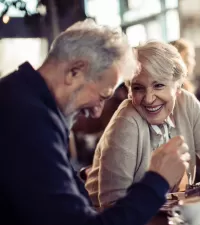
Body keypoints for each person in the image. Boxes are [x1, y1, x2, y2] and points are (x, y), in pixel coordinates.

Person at [0, 20, 190, 225]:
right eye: (102, 95)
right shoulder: (28, 120)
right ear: (75, 72)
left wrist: (72, 179)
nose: (97, 112)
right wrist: (157, 180)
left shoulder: (19, 95)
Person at [85, 41, 200, 208]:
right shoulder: (126, 120)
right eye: (138, 88)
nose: (148, 99)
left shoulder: (187, 103)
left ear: (178, 87)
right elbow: (112, 203)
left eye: (158, 85)